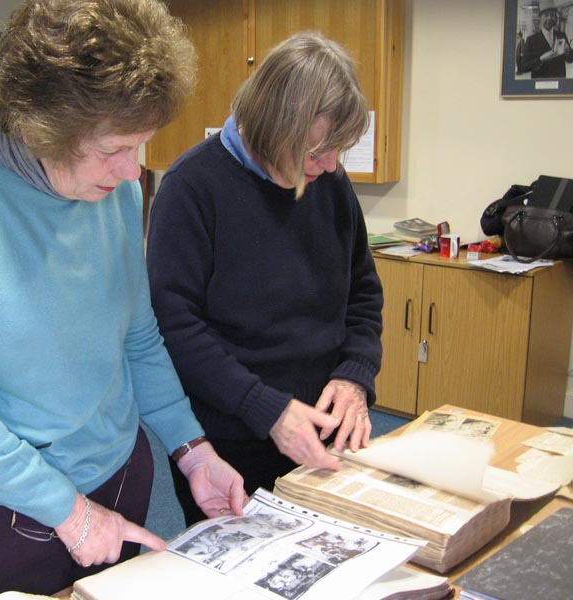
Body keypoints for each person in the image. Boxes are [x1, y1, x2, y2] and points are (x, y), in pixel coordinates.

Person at [0, 1, 247, 598]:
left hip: (118, 479)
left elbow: (137, 336)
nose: (133, 171)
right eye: (114, 149)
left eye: (142, 145)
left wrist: (193, 450)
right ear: (39, 124)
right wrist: (66, 510)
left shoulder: (116, 192)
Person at [146, 31, 383, 526]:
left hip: (323, 426)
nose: (331, 165)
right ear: (274, 127)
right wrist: (266, 409)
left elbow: (362, 291)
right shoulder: (191, 188)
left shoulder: (331, 184)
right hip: (230, 442)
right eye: (316, 151)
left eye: (337, 149)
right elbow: (174, 328)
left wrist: (355, 374)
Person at [518, 2, 573, 78]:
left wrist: (568, 52)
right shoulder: (531, 40)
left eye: (552, 15)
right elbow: (523, 66)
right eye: (546, 15)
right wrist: (541, 59)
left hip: (559, 82)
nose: (549, 18)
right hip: (540, 82)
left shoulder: (561, 35)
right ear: (540, 18)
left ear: (555, 18)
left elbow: (570, 60)